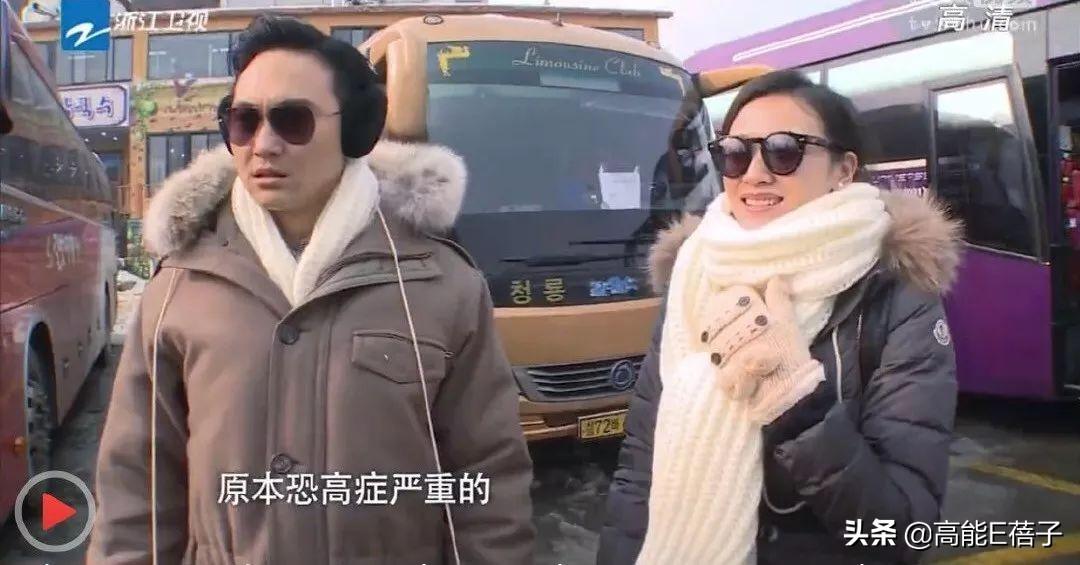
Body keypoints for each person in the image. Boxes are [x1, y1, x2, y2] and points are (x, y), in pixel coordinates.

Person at [87, 15, 534, 565]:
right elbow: (137, 482)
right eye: (244, 121)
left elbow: (486, 478)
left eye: (292, 120)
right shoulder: (180, 285)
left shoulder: (442, 284)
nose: (263, 145)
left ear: (357, 131)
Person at [597, 70, 961, 564]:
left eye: (784, 150)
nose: (754, 173)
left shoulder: (895, 294)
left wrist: (795, 401)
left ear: (843, 169)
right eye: (734, 153)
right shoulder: (694, 275)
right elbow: (641, 470)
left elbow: (900, 533)